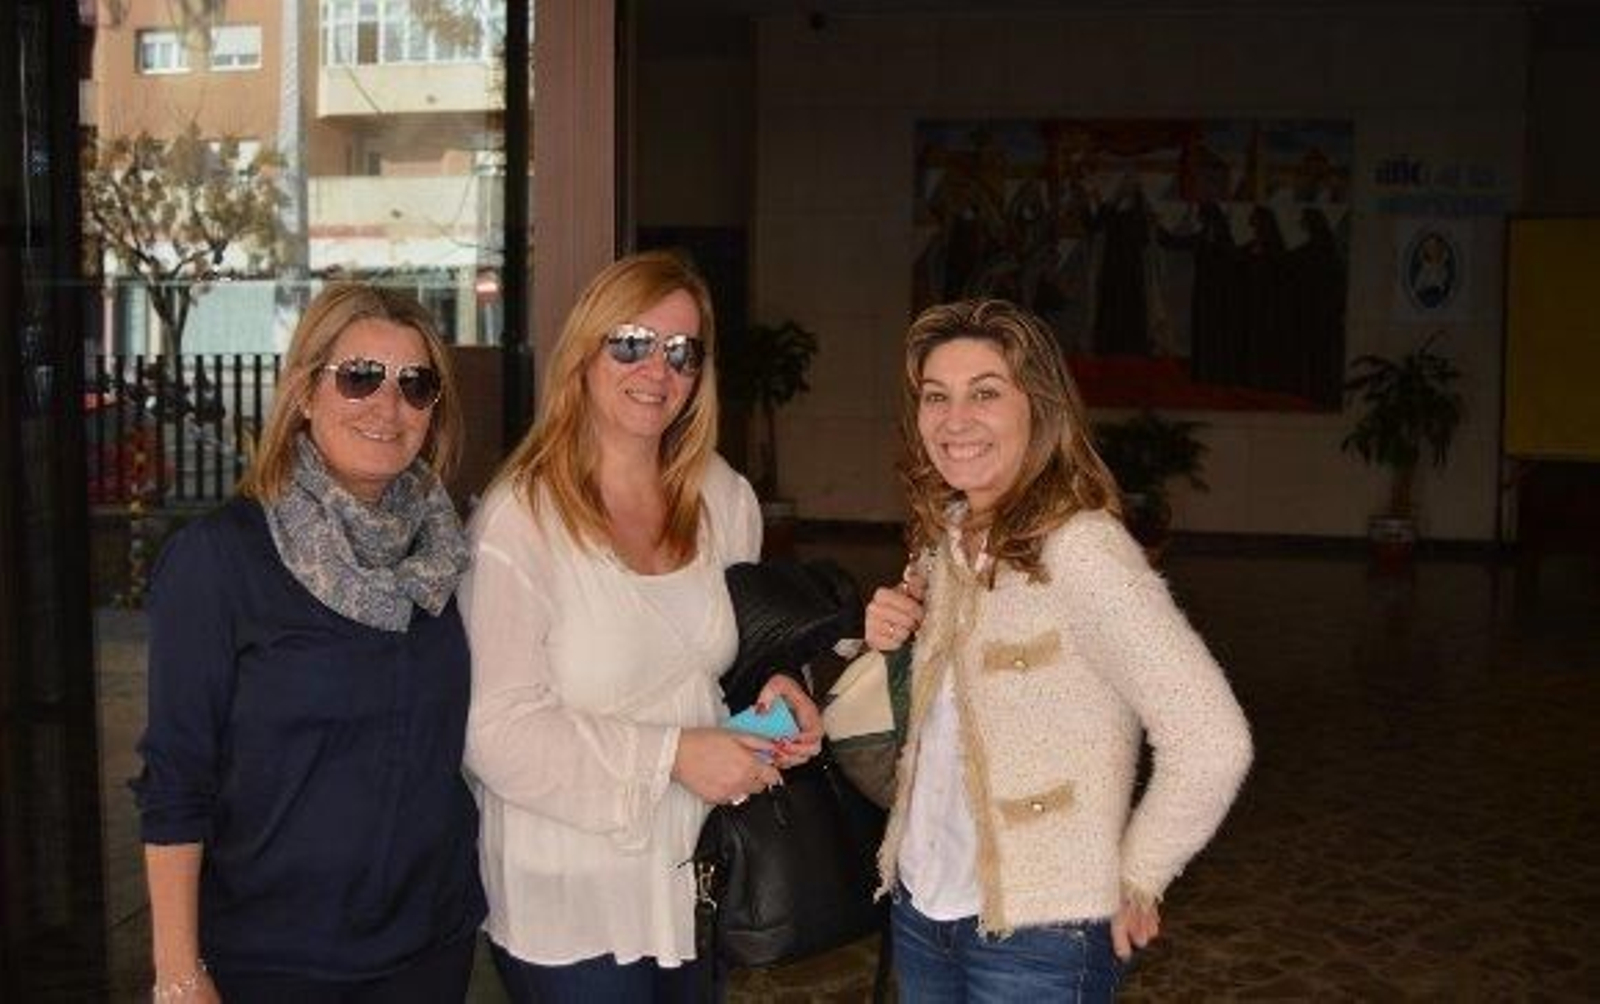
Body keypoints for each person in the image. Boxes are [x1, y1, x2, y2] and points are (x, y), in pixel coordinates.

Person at [459, 250, 822, 1003]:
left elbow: (734, 662)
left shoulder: (723, 499)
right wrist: (672, 758)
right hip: (571, 895)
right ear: (584, 355)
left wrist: (782, 690)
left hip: (698, 876)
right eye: (631, 342)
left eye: (683, 352)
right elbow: (494, 732)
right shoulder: (519, 519)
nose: (657, 369)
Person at [864, 299, 1253, 1000]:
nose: (955, 421)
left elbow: (1212, 735)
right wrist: (892, 635)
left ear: (1038, 408)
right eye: (936, 397)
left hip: (1041, 934)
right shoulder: (944, 538)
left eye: (985, 393)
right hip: (924, 909)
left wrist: (1139, 873)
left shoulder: (1083, 550)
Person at [133, 283, 486, 1003]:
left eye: (415, 386)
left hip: (428, 951)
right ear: (303, 392)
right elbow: (175, 779)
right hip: (273, 961)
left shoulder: (448, 555)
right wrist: (178, 970)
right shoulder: (219, 560)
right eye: (360, 377)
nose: (387, 407)